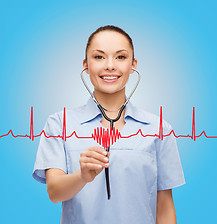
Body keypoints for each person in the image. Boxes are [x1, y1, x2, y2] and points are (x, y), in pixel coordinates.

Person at [32, 25, 185, 224]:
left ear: (133, 65)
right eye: (99, 57)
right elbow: (54, 192)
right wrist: (82, 176)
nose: (110, 65)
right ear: (86, 65)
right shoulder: (58, 123)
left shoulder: (159, 129)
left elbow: (163, 206)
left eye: (121, 57)